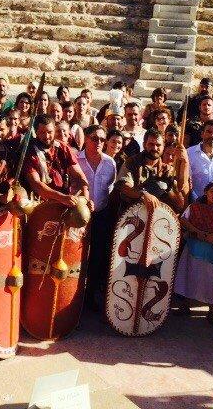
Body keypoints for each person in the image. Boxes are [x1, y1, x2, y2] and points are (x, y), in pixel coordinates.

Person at [175, 181, 213, 323]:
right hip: (194, 247)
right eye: (212, 191)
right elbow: (183, 220)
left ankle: (211, 310)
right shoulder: (194, 207)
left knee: (212, 279)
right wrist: (197, 231)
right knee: (190, 276)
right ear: (206, 192)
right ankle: (185, 305)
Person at [78, 125, 116, 309]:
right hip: (78, 216)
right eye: (94, 138)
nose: (99, 142)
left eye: (102, 139)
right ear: (86, 139)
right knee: (78, 255)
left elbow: (110, 189)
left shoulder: (110, 163)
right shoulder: (76, 159)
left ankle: (90, 296)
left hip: (100, 216)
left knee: (97, 256)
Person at [22, 116, 90, 210]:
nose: (47, 136)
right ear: (36, 132)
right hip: (40, 205)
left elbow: (79, 175)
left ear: (54, 130)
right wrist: (62, 198)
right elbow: (36, 184)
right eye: (42, 132)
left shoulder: (62, 147)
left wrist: (85, 198)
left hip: (65, 201)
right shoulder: (29, 152)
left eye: (49, 132)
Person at [112, 128, 181, 216]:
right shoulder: (132, 162)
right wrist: (143, 194)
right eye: (151, 144)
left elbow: (180, 204)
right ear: (144, 145)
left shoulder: (167, 170)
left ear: (163, 146)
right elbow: (124, 185)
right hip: (132, 214)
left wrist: (184, 163)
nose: (155, 148)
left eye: (158, 145)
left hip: (158, 217)